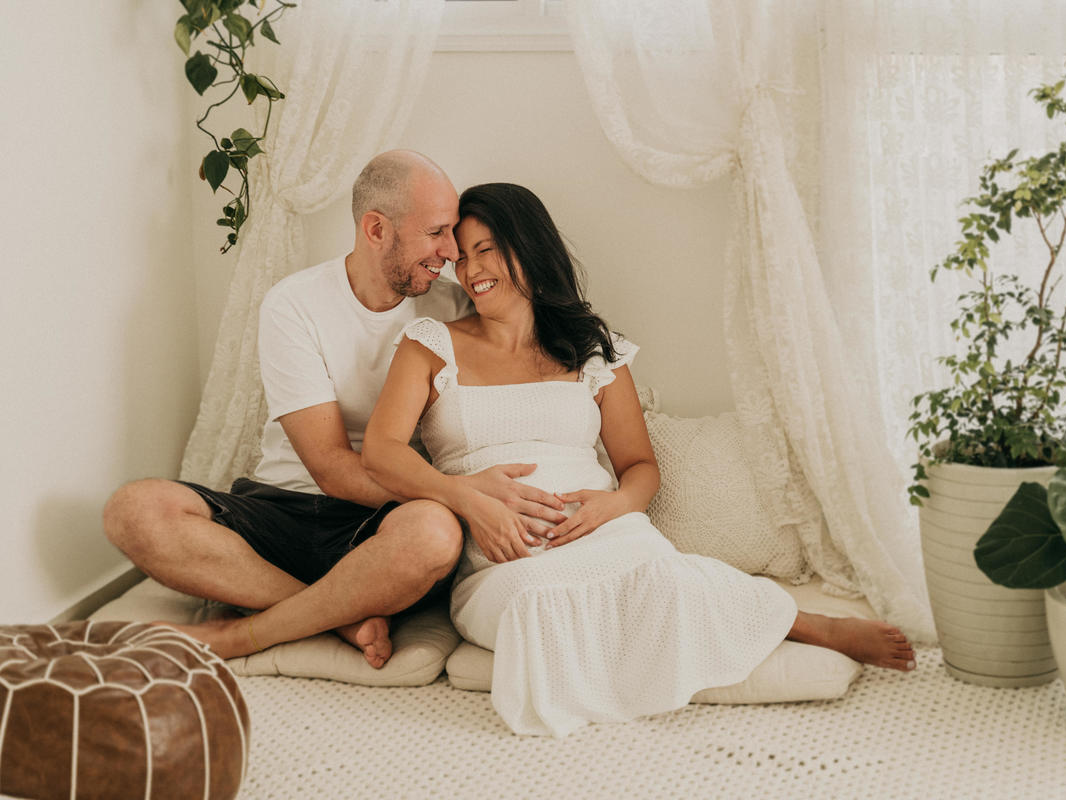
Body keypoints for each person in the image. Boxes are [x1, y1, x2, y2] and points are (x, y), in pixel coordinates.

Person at [360, 182, 916, 737]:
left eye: (486, 249)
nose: (469, 267)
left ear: (529, 247)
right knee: (538, 608)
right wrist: (469, 499)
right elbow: (381, 454)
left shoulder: (594, 350)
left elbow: (639, 467)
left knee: (673, 583)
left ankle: (813, 627)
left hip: (604, 535)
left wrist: (613, 506)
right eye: (460, 254)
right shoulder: (431, 343)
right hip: (504, 558)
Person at [102, 152, 568, 669]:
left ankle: (253, 627)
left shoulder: (456, 308)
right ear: (376, 230)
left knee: (433, 536)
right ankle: (342, 615)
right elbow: (329, 466)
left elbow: (525, 357)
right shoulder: (294, 304)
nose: (451, 251)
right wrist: (461, 493)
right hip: (286, 505)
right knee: (135, 510)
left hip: (392, 520)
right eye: (437, 232)